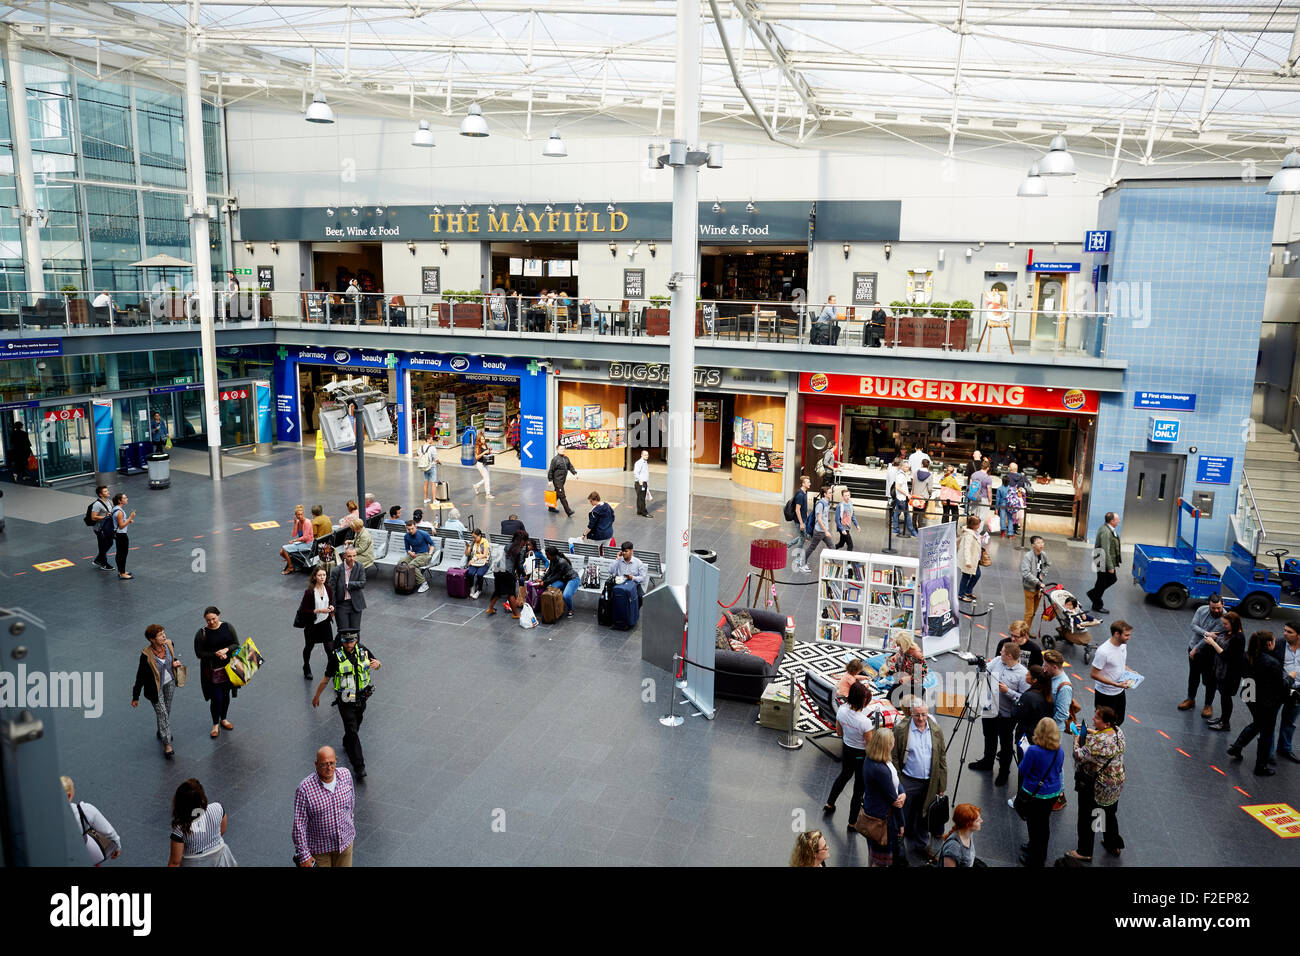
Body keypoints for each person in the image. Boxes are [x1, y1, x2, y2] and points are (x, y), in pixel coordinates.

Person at [313, 631, 381, 780]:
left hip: (362, 698)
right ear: (342, 642)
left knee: (356, 725)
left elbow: (376, 662)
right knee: (352, 729)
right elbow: (326, 679)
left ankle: (347, 739)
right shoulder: (336, 657)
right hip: (346, 700)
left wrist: (378, 664)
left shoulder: (363, 650)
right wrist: (317, 695)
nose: (350, 644)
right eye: (347, 642)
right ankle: (359, 766)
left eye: (352, 641)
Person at [1064, 705, 1126, 863]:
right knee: (1109, 813)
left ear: (1106, 723)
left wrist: (1077, 739)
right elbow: (1106, 740)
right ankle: (1113, 844)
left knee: (1086, 817)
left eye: (1097, 718)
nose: (1093, 719)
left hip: (1095, 785)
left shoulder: (1095, 743)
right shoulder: (1118, 732)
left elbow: (1078, 755)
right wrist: (1092, 731)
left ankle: (1084, 851)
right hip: (1115, 783)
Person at [891, 700, 947, 864]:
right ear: (911, 713)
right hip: (908, 780)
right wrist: (898, 780)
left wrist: (941, 784)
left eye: (924, 714)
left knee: (925, 816)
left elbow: (942, 757)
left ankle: (922, 846)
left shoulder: (935, 729)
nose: (921, 718)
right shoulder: (901, 729)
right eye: (917, 715)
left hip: (929, 782)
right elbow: (894, 756)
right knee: (902, 815)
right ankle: (899, 850)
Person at [1227, 630, 1287, 776]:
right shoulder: (1272, 663)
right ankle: (1261, 766)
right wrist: (1290, 678)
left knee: (1258, 722)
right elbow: (1281, 686)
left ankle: (1237, 746)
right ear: (1269, 643)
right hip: (1267, 701)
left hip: (1249, 694)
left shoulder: (1247, 655)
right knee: (1266, 731)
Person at [969, 641, 1028, 785]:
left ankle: (1004, 772)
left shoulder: (1023, 674)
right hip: (989, 709)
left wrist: (1008, 691)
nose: (999, 652)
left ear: (1008, 655)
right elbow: (982, 673)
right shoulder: (997, 661)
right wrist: (980, 666)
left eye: (1002, 651)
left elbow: (1026, 698)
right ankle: (987, 762)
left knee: (1006, 744)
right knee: (989, 737)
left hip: (1006, 715)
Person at [293, 746, 356, 867]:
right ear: (316, 764)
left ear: (336, 760)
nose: (329, 768)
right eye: (324, 764)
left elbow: (351, 803)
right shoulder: (304, 789)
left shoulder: (346, 775)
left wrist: (350, 825)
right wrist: (304, 855)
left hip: (345, 844)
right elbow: (299, 825)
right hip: (320, 851)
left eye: (332, 763)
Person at [823, 682, 875, 828]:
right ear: (862, 701)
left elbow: (839, 733)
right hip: (860, 755)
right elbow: (869, 745)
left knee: (844, 776)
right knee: (859, 787)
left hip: (847, 749)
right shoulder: (865, 722)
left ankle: (829, 803)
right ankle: (852, 823)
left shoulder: (841, 710)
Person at [1016, 717, 1065, 867]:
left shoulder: (1033, 751)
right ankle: (1038, 852)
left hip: (1035, 794)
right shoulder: (1059, 750)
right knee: (1043, 824)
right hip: (1053, 793)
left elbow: (1022, 770)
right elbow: (1058, 769)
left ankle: (1035, 860)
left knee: (1034, 826)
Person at [132, 623, 181, 759]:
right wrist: (135, 696)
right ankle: (167, 744)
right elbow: (140, 676)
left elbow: (171, 659)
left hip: (170, 682)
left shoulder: (169, 644)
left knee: (167, 709)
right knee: (163, 714)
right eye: (160, 635)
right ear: (152, 639)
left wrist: (175, 662)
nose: (164, 636)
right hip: (155, 688)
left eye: (163, 633)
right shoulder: (146, 655)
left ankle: (161, 730)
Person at [860, 723, 907, 866]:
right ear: (888, 745)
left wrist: (902, 792)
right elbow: (894, 800)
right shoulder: (882, 770)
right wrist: (902, 823)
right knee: (882, 856)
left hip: (870, 811)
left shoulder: (870, 759)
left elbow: (895, 782)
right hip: (883, 819)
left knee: (872, 851)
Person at [194, 606, 240, 739]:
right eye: (208, 620)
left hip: (229, 670)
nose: (211, 622)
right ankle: (215, 724)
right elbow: (199, 653)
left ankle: (223, 719)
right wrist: (216, 654)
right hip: (212, 671)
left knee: (226, 695)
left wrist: (225, 650)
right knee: (216, 698)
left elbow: (236, 644)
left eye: (213, 619)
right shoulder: (201, 633)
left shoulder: (228, 627)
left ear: (218, 616)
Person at [169, 778, 236, 866]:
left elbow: (175, 862)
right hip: (219, 861)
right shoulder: (217, 808)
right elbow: (222, 830)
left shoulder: (180, 828)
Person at [1181, 593, 1227, 715]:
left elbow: (1207, 641)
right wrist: (1207, 633)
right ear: (1209, 605)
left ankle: (1208, 705)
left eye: (1218, 608)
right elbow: (1193, 626)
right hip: (1194, 648)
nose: (1216, 610)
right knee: (1193, 676)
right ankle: (1190, 699)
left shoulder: (1225, 619)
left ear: (1223, 604)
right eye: (1213, 608)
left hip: (1210, 653)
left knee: (1211, 680)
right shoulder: (1201, 610)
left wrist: (1195, 649)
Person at [62, 776, 120, 866]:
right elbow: (109, 832)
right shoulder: (85, 811)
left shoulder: (40, 815)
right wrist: (117, 846)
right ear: (69, 795)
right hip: (81, 855)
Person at [1205, 610, 1246, 732]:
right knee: (1223, 697)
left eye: (1226, 624)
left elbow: (1227, 656)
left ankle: (1225, 723)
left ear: (1233, 624)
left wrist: (1213, 643)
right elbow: (1222, 637)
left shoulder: (1238, 638)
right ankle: (1222, 718)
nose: (1223, 626)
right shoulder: (1229, 632)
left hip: (1230, 674)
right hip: (1221, 670)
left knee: (1226, 698)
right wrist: (1215, 636)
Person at [1091, 620, 1134, 724]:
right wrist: (1115, 684)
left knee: (1119, 720)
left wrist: (1131, 671)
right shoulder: (1103, 652)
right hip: (1105, 695)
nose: (1129, 638)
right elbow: (1094, 674)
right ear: (1116, 634)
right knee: (1103, 723)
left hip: (1119, 692)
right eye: (1126, 635)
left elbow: (1121, 663)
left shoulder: (1123, 646)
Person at [297, 566, 335, 680]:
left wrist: (331, 607)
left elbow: (331, 601)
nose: (322, 577)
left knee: (329, 648)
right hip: (313, 624)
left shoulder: (328, 588)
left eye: (324, 575)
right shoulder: (309, 592)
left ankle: (331, 669)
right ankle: (306, 666)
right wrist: (319, 610)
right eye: (319, 575)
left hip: (325, 622)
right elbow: (304, 610)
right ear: (314, 577)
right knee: (309, 646)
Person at [1087, 512, 1122, 613]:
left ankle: (1093, 594)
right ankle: (1097, 604)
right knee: (1104, 582)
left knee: (1102, 582)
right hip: (1102, 560)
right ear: (1112, 521)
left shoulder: (1107, 528)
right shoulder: (1106, 532)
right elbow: (1105, 550)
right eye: (1117, 519)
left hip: (1101, 559)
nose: (1119, 521)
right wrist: (1110, 566)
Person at [330, 546, 366, 634]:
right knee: (343, 632)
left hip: (355, 604)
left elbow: (362, 583)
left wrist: (348, 584)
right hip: (341, 605)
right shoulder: (337, 570)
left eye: (354, 556)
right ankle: (339, 647)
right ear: (345, 556)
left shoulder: (359, 567)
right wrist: (333, 608)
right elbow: (332, 590)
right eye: (349, 556)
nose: (352, 558)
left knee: (355, 632)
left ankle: (356, 648)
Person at [1280, 622, 1300, 763]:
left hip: (1298, 691)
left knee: (1289, 722)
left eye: (1289, 632)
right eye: (1285, 630)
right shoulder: (1279, 644)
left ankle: (1284, 749)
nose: (1285, 633)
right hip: (1280, 687)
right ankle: (1267, 752)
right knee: (1269, 719)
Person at [1019, 536, 1051, 626]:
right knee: (1029, 612)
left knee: (1034, 612)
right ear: (1033, 545)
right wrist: (1039, 582)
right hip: (1030, 587)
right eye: (1038, 543)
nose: (1041, 544)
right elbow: (1026, 573)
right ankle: (1023, 633)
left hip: (1039, 588)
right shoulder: (1028, 556)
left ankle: (1027, 630)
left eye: (1042, 542)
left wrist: (1042, 574)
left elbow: (1048, 564)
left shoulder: (1043, 554)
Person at [398, 518, 435, 594]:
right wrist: (410, 552)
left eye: (412, 529)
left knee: (412, 565)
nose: (410, 531)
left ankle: (423, 583)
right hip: (414, 554)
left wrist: (430, 554)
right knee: (401, 562)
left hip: (424, 554)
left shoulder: (423, 534)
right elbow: (407, 548)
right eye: (409, 529)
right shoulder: (406, 536)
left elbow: (432, 544)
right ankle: (406, 581)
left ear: (416, 527)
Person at [542, 546, 580, 617]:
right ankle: (558, 604)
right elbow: (549, 571)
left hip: (573, 579)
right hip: (563, 579)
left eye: (548, 555)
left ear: (553, 555)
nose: (547, 557)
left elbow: (556, 576)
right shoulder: (553, 560)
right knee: (552, 589)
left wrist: (544, 582)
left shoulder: (561, 562)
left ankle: (570, 609)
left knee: (566, 596)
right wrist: (542, 579)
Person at [1042, 649, 1074, 733]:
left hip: (1052, 730)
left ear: (1054, 667)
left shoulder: (1064, 687)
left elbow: (1062, 713)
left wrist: (1047, 726)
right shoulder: (1050, 675)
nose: (1044, 669)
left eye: (1046, 666)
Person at [805, 485, 836, 566]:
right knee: (812, 547)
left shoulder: (827, 503)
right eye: (829, 493)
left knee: (832, 547)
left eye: (831, 493)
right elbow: (819, 519)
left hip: (824, 530)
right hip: (819, 531)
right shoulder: (820, 504)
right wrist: (826, 531)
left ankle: (835, 565)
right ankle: (803, 561)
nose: (831, 494)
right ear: (825, 494)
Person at [279, 504, 314, 574]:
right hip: (302, 542)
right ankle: (295, 564)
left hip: (308, 544)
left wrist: (294, 540)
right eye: (298, 515)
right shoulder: (298, 522)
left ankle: (291, 567)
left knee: (284, 549)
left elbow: (306, 537)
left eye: (301, 514)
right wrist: (295, 524)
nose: (300, 516)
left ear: (303, 514)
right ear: (296, 515)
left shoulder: (307, 522)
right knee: (281, 552)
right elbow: (294, 534)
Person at [788, 475, 813, 573]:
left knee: (803, 537)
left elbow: (803, 508)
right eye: (808, 482)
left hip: (803, 519)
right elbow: (797, 510)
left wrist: (806, 517)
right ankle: (798, 559)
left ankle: (788, 545)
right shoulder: (800, 495)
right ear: (803, 484)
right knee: (802, 539)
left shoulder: (804, 492)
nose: (809, 483)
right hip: (799, 521)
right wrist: (802, 523)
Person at [957, 516, 984, 603]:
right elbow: (966, 548)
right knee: (966, 576)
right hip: (969, 560)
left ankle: (968, 591)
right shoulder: (969, 534)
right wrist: (968, 561)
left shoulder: (973, 532)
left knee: (976, 575)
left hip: (974, 559)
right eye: (978, 524)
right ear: (973, 525)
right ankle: (961, 594)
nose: (979, 526)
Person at [108, 492, 135, 581]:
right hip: (121, 535)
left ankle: (121, 571)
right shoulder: (119, 512)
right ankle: (122, 573)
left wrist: (127, 520)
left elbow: (118, 521)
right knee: (123, 554)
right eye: (125, 498)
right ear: (120, 501)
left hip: (117, 534)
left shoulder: (115, 509)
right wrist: (130, 517)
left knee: (120, 553)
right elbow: (121, 526)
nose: (126, 499)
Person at [90, 483, 115, 571]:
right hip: (100, 529)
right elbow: (93, 517)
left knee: (110, 543)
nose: (108, 492)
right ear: (100, 494)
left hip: (107, 527)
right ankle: (103, 564)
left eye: (107, 490)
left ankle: (98, 559)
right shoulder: (97, 504)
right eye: (105, 491)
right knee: (102, 545)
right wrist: (105, 516)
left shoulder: (109, 501)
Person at [548, 450, 578, 516]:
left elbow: (570, 466)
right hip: (557, 481)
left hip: (562, 481)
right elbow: (551, 470)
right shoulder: (555, 459)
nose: (563, 450)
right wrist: (550, 480)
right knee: (562, 496)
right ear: (558, 450)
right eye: (561, 449)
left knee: (557, 494)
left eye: (563, 449)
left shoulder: (566, 458)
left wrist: (575, 473)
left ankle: (551, 507)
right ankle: (568, 511)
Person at [891, 462, 917, 537]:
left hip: (900, 497)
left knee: (896, 513)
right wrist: (907, 494)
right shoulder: (901, 475)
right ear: (902, 467)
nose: (907, 468)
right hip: (901, 498)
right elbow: (898, 487)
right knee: (907, 515)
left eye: (908, 467)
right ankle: (913, 532)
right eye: (906, 467)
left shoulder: (901, 474)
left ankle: (896, 529)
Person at [466, 528, 492, 598]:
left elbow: (485, 555)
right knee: (470, 573)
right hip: (475, 562)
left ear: (480, 535)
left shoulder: (485, 542)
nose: (473, 539)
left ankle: (479, 590)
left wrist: (474, 559)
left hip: (484, 562)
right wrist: (467, 547)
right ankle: (472, 588)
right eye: (472, 537)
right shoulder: (473, 542)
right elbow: (467, 554)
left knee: (480, 574)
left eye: (475, 537)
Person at [417, 432, 440, 505]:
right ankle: (434, 500)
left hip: (424, 467)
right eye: (431, 439)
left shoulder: (420, 448)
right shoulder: (432, 448)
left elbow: (419, 455)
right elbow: (435, 458)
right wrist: (438, 462)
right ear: (428, 440)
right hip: (431, 466)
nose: (432, 440)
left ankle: (425, 498)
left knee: (426, 483)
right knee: (433, 483)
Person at [472, 430, 495, 498]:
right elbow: (477, 457)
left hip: (486, 463)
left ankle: (476, 486)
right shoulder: (477, 447)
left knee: (486, 477)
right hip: (480, 464)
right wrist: (484, 453)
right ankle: (487, 494)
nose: (483, 440)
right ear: (479, 440)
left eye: (484, 439)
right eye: (482, 439)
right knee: (487, 478)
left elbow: (486, 453)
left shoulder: (485, 445)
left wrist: (489, 451)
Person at [911, 458, 933, 530]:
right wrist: (930, 494)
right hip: (924, 497)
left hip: (915, 495)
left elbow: (913, 483)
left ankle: (913, 527)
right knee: (921, 514)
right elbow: (930, 488)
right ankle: (920, 529)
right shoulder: (929, 475)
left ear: (922, 464)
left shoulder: (916, 472)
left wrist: (913, 493)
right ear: (928, 466)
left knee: (915, 513)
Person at [634, 449, 651, 516]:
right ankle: (644, 513)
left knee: (640, 498)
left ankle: (639, 511)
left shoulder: (645, 462)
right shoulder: (639, 463)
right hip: (640, 483)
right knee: (642, 498)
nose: (647, 456)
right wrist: (640, 481)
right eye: (645, 455)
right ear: (641, 455)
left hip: (643, 482)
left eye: (647, 455)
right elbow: (636, 473)